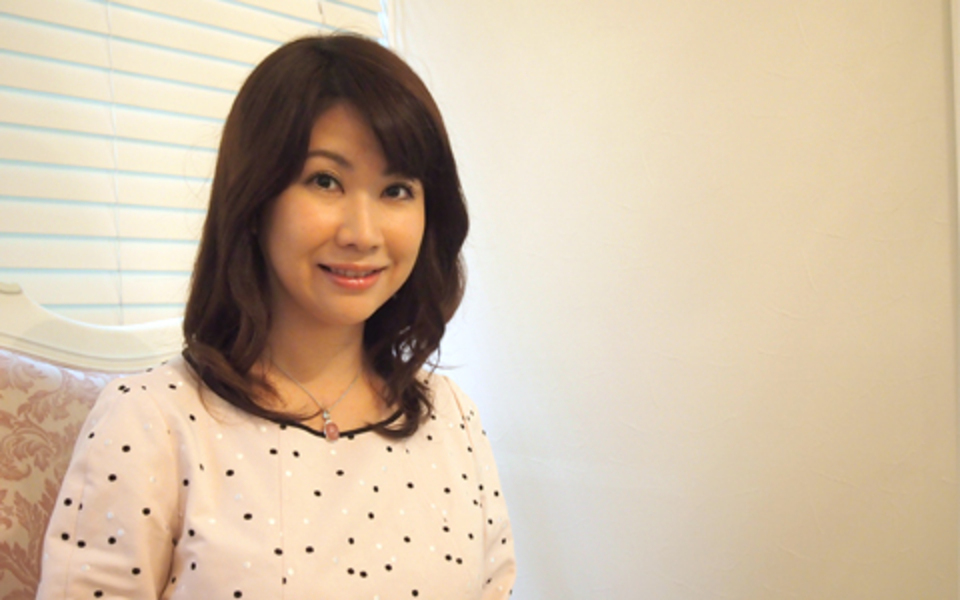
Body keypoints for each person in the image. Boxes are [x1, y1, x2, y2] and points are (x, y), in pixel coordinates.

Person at [36, 33, 515, 599]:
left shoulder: (452, 418)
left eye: (396, 190)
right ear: (254, 200)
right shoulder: (151, 421)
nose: (363, 234)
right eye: (325, 181)